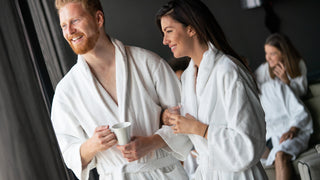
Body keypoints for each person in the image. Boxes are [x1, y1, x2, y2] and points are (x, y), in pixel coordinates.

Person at [51, 0, 193, 179]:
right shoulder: (66, 92)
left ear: (99, 18)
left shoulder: (148, 63)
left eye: (75, 21)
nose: (69, 31)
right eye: (64, 25)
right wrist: (92, 145)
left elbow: (188, 119)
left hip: (164, 174)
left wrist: (152, 143)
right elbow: (69, 153)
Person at [156, 0, 267, 179]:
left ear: (191, 29)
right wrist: (171, 118)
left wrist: (201, 129)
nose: (164, 40)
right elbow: (191, 131)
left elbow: (249, 143)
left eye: (169, 31)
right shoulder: (187, 77)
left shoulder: (229, 71)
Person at [259, 81, 313, 180]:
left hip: (292, 132)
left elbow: (300, 110)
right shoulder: (245, 100)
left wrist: (293, 129)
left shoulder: (275, 86)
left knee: (280, 154)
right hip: (269, 139)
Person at [255, 33, 308, 97]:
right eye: (266, 53)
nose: (268, 58)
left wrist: (286, 82)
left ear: (284, 53)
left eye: (272, 54)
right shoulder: (265, 68)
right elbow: (254, 85)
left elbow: (302, 91)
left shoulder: (299, 64)